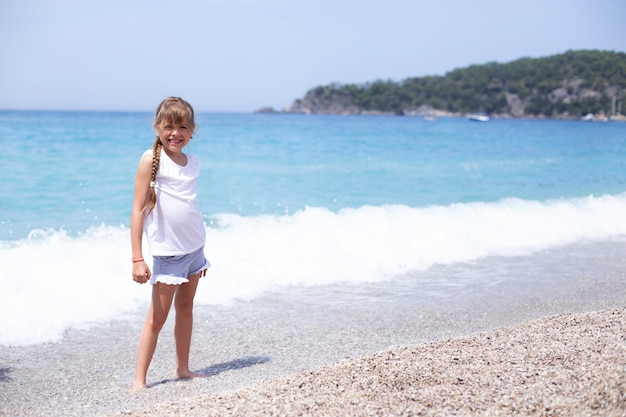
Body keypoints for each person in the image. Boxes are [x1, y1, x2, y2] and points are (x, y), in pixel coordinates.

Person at [130, 97, 210, 390]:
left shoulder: (194, 162)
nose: (175, 133)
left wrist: (200, 249)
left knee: (186, 309)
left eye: (183, 127)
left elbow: (189, 205)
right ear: (157, 127)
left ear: (192, 131)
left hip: (194, 250)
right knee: (157, 318)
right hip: (168, 253)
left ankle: (183, 368)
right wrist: (137, 258)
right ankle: (139, 380)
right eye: (169, 126)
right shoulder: (151, 160)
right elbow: (138, 210)